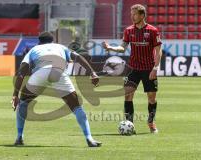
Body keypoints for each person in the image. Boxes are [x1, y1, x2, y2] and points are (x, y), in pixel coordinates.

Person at [11, 32, 102, 147]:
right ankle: (89, 138)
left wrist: (15, 94)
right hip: (58, 73)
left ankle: (19, 137)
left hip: (40, 74)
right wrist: (92, 73)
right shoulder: (60, 47)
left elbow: (21, 73)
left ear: (39, 42)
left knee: (23, 102)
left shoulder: (34, 49)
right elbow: (78, 57)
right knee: (77, 107)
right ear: (52, 41)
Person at [102, 4, 162, 133]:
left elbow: (158, 51)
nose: (132, 17)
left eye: (134, 14)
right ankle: (129, 125)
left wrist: (155, 68)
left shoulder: (152, 31)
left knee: (151, 98)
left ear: (142, 15)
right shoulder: (129, 30)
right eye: (131, 14)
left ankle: (151, 122)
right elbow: (122, 47)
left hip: (148, 69)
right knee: (127, 96)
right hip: (133, 69)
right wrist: (110, 48)